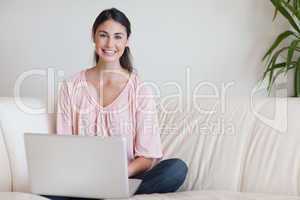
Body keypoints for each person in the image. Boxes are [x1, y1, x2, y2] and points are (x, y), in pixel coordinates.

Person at [44, 8, 187, 200]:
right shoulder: (71, 86)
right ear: (93, 36)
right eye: (103, 35)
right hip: (83, 180)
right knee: (45, 190)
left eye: (118, 36)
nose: (110, 44)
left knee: (176, 169)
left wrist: (120, 173)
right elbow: (64, 146)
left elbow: (147, 157)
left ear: (127, 41)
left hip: (126, 178)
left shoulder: (140, 89)